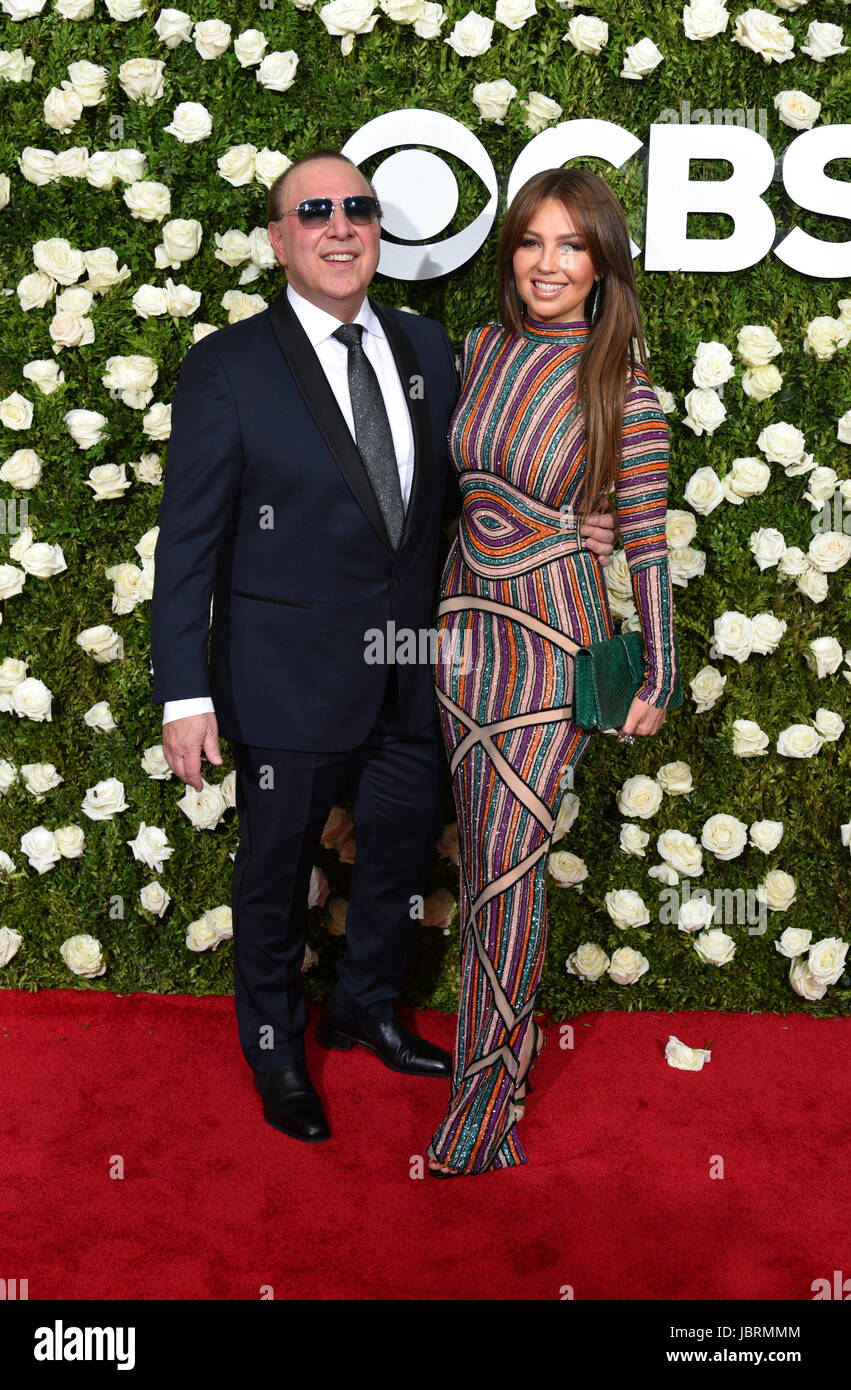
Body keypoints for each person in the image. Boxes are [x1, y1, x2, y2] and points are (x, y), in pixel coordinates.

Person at [149, 149, 619, 1145]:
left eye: (355, 206)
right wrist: (183, 695)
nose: (337, 224)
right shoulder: (226, 366)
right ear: (278, 239)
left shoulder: (427, 348)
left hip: (415, 669)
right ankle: (276, 1044)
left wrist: (585, 528)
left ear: (376, 228)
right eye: (311, 210)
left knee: (401, 855)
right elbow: (185, 546)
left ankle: (367, 1005)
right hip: (285, 677)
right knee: (275, 870)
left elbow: (479, 490)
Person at [426, 167, 679, 1177]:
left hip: (551, 644)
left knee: (507, 873)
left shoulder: (628, 390)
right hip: (458, 635)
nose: (547, 263)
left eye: (571, 245)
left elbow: (648, 546)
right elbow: (457, 490)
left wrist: (655, 674)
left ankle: (484, 1108)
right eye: (532, 241)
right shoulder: (479, 350)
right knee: (478, 858)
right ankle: (503, 1053)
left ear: (602, 263)